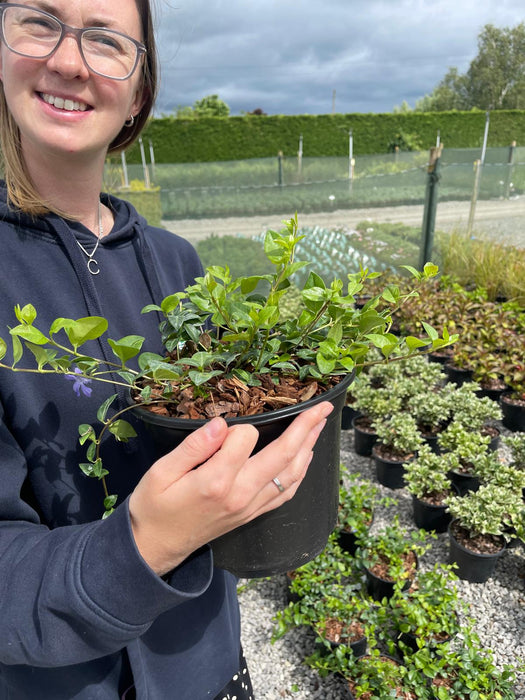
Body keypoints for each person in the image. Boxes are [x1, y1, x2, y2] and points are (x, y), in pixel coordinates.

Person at [0, 1, 333, 698]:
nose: (69, 59)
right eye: (39, 20)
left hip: (206, 667)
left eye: (106, 39)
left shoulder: (178, 264)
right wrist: (144, 544)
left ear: (138, 94)